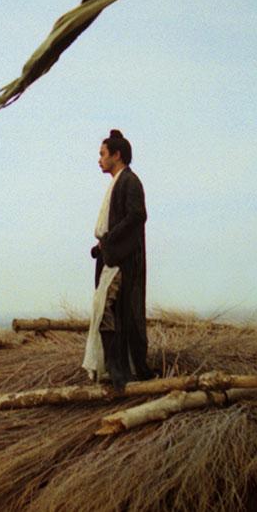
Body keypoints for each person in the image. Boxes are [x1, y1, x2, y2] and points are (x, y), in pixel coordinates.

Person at [82, 129, 150, 390]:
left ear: (117, 155)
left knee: (109, 311)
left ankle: (121, 373)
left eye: (103, 154)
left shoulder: (130, 182)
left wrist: (110, 240)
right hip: (113, 257)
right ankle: (117, 369)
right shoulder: (118, 182)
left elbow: (137, 216)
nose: (99, 159)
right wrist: (102, 245)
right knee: (110, 312)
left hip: (123, 261)